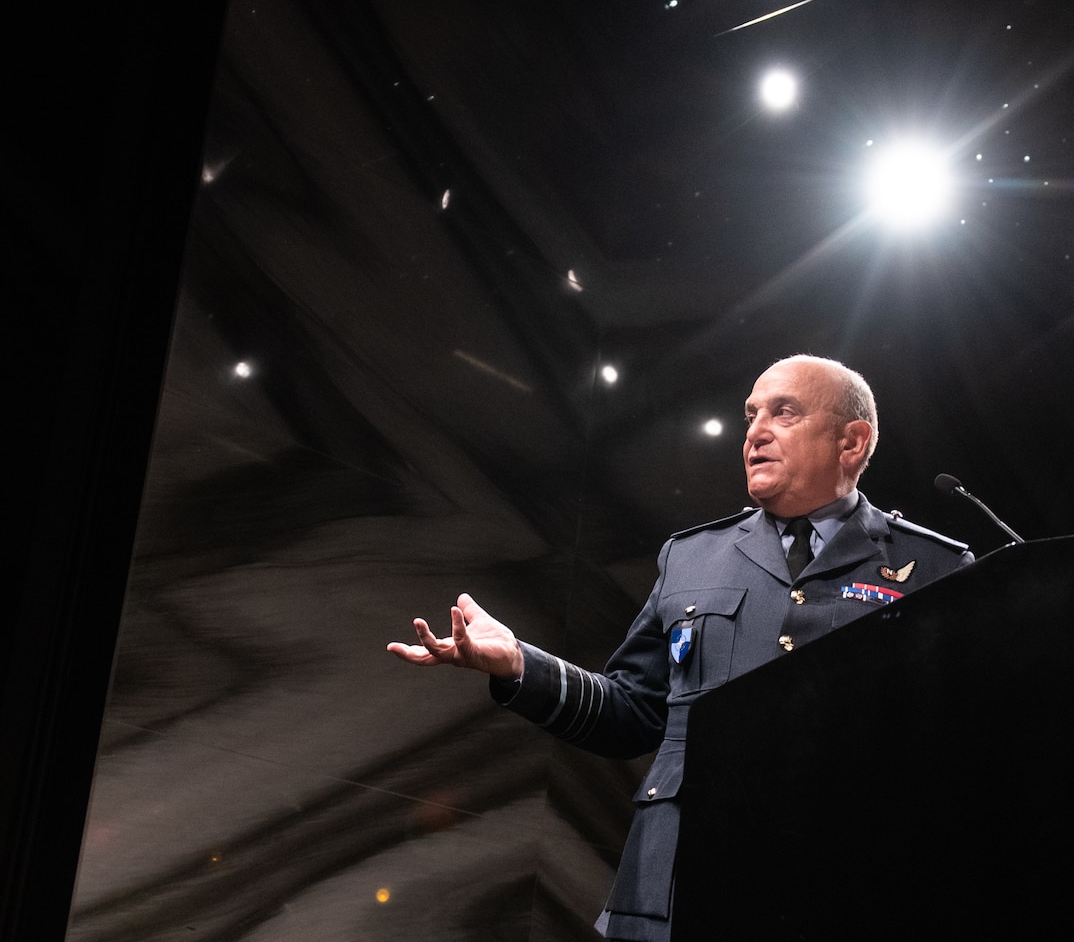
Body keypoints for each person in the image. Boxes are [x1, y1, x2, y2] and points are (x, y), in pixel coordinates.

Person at [388, 355, 972, 941]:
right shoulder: (690, 557)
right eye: (750, 416)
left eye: (784, 412)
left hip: (839, 892)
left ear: (852, 442)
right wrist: (520, 665)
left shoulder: (936, 569)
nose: (755, 432)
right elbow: (634, 714)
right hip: (672, 890)